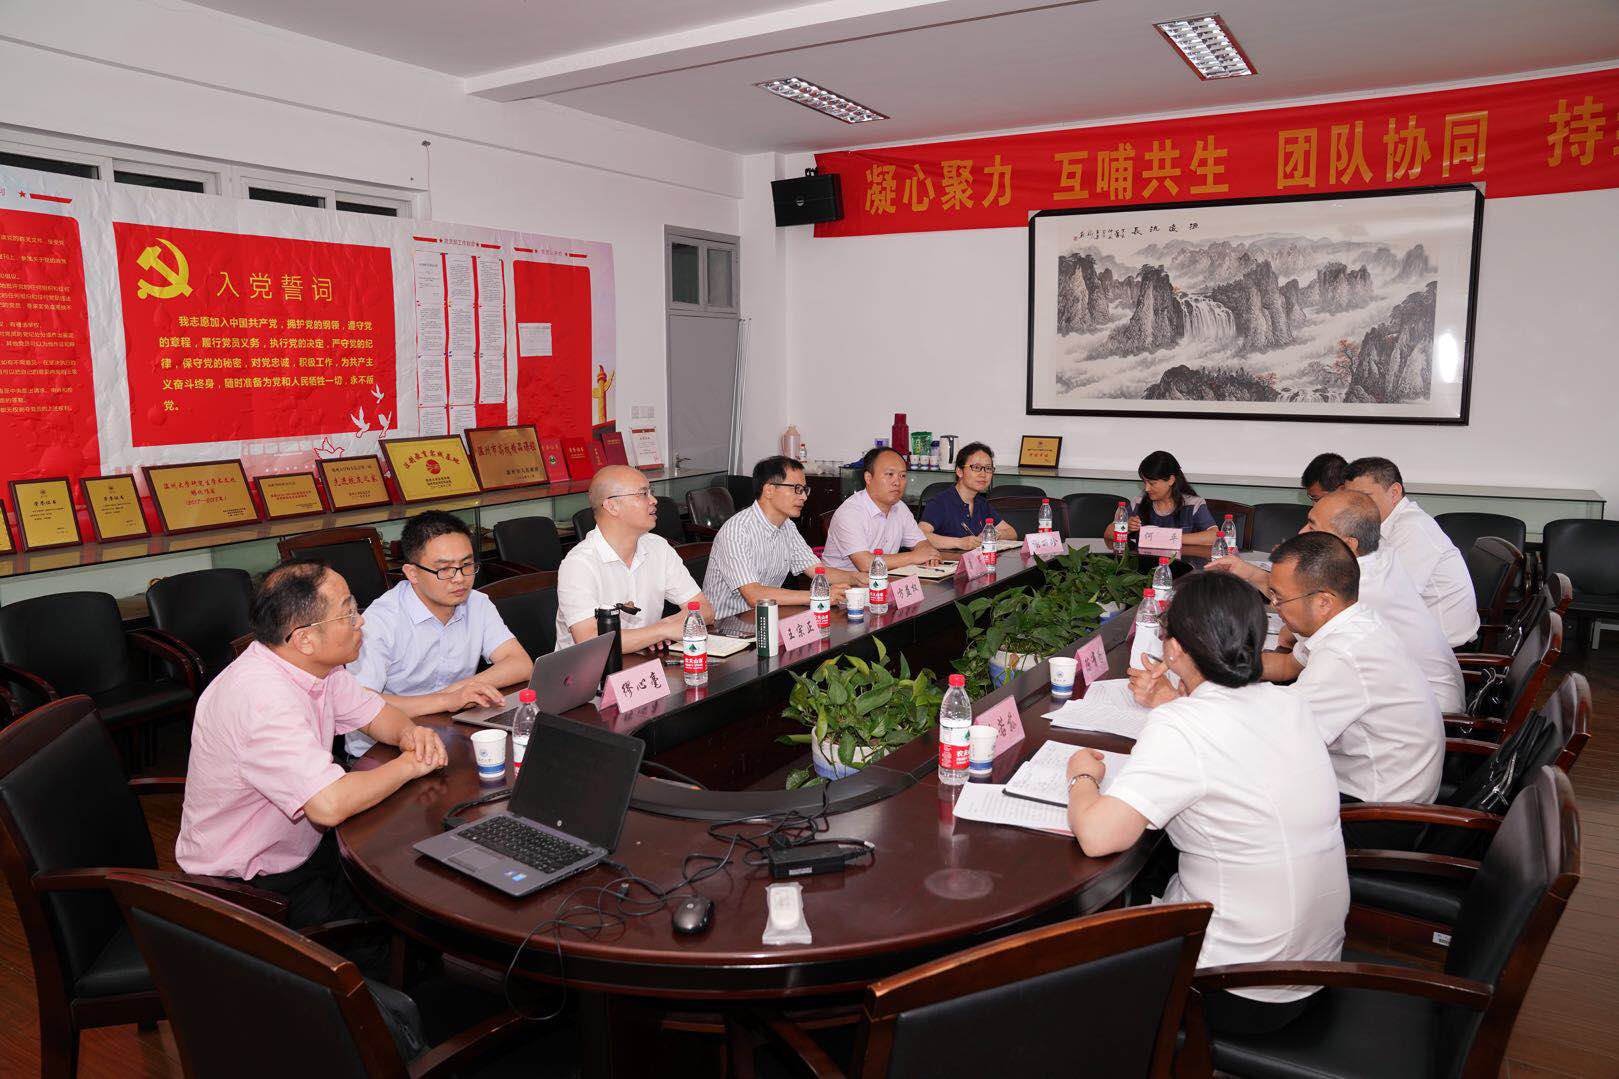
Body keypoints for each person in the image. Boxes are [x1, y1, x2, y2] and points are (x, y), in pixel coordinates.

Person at [1065, 572, 1348, 1036]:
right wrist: (1175, 702)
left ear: (1174, 649)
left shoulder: (1184, 725)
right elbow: (1226, 744)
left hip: (1233, 986)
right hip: (1311, 965)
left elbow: (1098, 837)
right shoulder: (1289, 705)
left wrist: (1082, 776)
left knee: (1065, 957)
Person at [176, 560, 448, 978]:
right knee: (400, 946)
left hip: (302, 848)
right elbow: (328, 805)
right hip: (251, 889)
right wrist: (411, 765)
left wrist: (410, 732)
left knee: (411, 887)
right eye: (348, 612)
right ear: (304, 638)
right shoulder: (261, 698)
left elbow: (375, 714)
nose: (361, 621)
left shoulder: (315, 667)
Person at [1208, 491, 1464, 712]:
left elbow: (1289, 722)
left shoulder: (1358, 596)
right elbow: (1289, 663)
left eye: (1312, 526)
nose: (1301, 532)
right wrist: (1213, 664)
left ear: (1347, 544)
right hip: (1404, 705)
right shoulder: (1373, 557)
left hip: (1436, 712)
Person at [1264, 533, 1444, 806]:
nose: (1274, 606)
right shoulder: (1353, 621)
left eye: (1280, 598)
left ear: (1324, 602)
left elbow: (1277, 740)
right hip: (1366, 782)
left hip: (1377, 810)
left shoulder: (1344, 654)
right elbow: (1284, 666)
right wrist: (1212, 665)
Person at [343, 511, 534, 758]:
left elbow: (520, 664)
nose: (460, 579)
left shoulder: (477, 603)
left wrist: (461, 689)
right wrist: (446, 700)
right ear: (412, 573)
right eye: (444, 570)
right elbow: (359, 703)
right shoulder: (379, 622)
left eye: (466, 565)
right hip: (382, 751)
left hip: (451, 735)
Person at [556, 464, 714, 650]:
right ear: (612, 506)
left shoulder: (658, 547)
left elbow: (704, 610)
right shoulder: (578, 564)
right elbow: (591, 640)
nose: (654, 500)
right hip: (589, 668)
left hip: (644, 662)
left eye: (651, 492)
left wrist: (659, 630)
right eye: (643, 493)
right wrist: (662, 631)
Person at [703, 455, 862, 620]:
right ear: (769, 490)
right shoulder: (737, 531)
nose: (804, 497)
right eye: (797, 488)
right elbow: (753, 595)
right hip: (725, 625)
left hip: (763, 618)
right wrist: (818, 596)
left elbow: (818, 571)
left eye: (804, 489)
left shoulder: (787, 526)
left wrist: (858, 577)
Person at [1343, 456, 1480, 647]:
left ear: (1394, 492)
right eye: (1351, 500)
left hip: (1443, 647)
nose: (1354, 508)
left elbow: (1389, 599)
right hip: (1414, 633)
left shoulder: (1414, 528)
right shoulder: (1385, 524)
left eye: (1364, 497)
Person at [821, 447, 943, 572]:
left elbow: (922, 543)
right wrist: (914, 557)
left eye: (902, 475)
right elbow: (865, 564)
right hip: (843, 582)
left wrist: (929, 555)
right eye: (890, 474)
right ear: (868, 478)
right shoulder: (850, 513)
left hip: (882, 578)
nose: (897, 482)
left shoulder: (899, 507)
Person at [919, 441, 1018, 551]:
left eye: (988, 468)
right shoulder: (940, 502)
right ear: (959, 471)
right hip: (946, 560)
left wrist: (994, 534)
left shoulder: (981, 503)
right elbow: (920, 536)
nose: (983, 474)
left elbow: (1012, 533)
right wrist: (959, 543)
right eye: (976, 467)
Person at [1127, 451, 1218, 541]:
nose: (1147, 488)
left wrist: (1170, 538)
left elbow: (1214, 535)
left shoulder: (1193, 504)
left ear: (1171, 480)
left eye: (1152, 483)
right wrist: (1127, 528)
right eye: (1144, 482)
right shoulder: (1138, 503)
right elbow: (1117, 529)